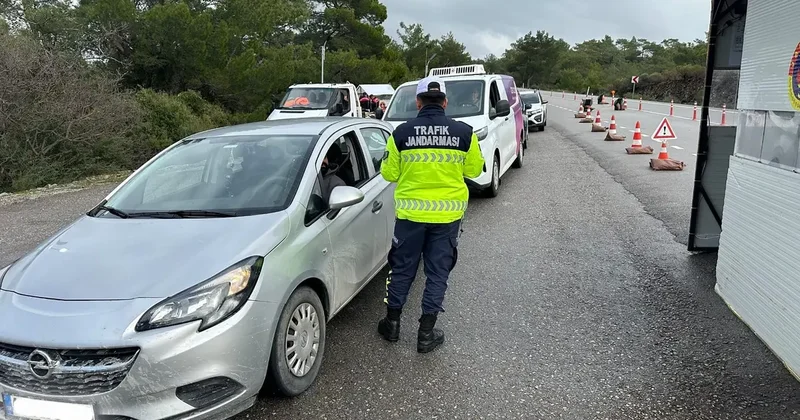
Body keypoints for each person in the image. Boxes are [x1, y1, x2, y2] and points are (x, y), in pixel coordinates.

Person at [377, 75, 485, 353]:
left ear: (418, 102)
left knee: (402, 269)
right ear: (445, 102)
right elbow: (474, 170)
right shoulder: (464, 133)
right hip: (447, 218)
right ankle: (426, 334)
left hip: (410, 217)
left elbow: (389, 173)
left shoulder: (400, 133)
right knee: (437, 273)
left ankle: (392, 325)